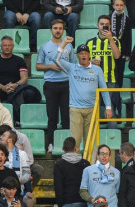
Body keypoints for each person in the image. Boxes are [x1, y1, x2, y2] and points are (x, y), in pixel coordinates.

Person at [55, 39, 113, 146]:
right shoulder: (72, 68)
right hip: (75, 109)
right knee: (75, 142)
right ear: (77, 56)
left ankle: (89, 162)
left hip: (92, 109)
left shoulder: (97, 69)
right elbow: (56, 59)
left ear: (89, 55)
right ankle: (75, 162)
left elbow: (104, 89)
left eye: (86, 53)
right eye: (81, 53)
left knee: (91, 141)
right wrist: (64, 43)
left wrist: (108, 108)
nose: (83, 55)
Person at [36, 20, 74, 153]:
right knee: (52, 117)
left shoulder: (69, 46)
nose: (58, 30)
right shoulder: (45, 46)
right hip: (51, 84)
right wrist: (50, 66)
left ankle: (65, 146)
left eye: (60, 28)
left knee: (66, 117)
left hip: (66, 84)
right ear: (51, 30)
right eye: (55, 28)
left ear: (63, 30)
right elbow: (37, 66)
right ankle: (51, 143)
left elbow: (74, 65)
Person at [0, 36, 41, 128]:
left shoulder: (19, 60)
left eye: (9, 45)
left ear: (13, 47)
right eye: (5, 45)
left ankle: (21, 118)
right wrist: (3, 87)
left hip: (16, 89)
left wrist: (15, 85)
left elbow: (24, 78)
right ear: (1, 46)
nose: (7, 47)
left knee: (30, 93)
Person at [85, 15, 122, 126]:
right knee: (93, 111)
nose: (104, 26)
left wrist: (110, 38)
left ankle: (112, 138)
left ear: (110, 26)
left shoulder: (115, 40)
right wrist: (91, 62)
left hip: (110, 81)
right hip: (93, 81)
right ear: (97, 26)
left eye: (106, 24)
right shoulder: (90, 42)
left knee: (110, 110)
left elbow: (117, 56)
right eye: (102, 24)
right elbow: (84, 63)